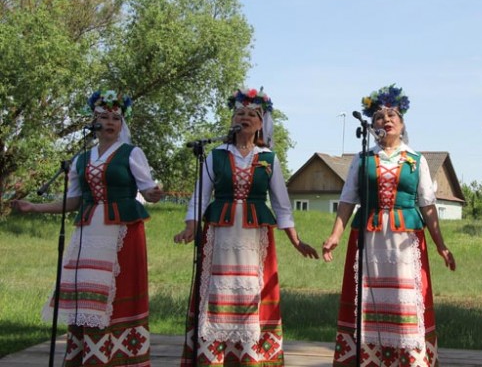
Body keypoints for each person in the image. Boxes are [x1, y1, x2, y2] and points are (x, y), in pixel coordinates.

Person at [12, 89, 163, 367]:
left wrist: (154, 193)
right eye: (103, 116)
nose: (109, 122)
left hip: (122, 232)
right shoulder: (81, 158)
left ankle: (119, 357)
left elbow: (147, 188)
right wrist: (35, 207)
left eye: (115, 118)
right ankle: (87, 355)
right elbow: (74, 201)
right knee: (88, 296)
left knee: (115, 294)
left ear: (122, 123)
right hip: (88, 232)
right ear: (93, 121)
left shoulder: (132, 153)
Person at [174, 87, 319, 366]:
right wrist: (190, 226)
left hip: (255, 236)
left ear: (261, 124)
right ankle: (212, 356)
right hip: (220, 233)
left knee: (251, 289)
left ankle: (251, 356)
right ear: (232, 120)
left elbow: (282, 205)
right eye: (240, 113)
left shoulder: (268, 159)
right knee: (218, 287)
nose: (245, 117)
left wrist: (296, 241)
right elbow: (200, 197)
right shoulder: (215, 155)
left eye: (252, 114)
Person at [322, 84, 456, 367]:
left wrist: (441, 245)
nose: (387, 120)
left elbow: (427, 205)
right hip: (369, 238)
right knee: (369, 297)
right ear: (373, 126)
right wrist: (335, 234)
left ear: (403, 123)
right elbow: (348, 198)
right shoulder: (362, 158)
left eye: (393, 114)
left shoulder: (416, 160)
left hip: (404, 241)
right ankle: (369, 357)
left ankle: (409, 358)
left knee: (402, 297)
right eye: (380, 116)